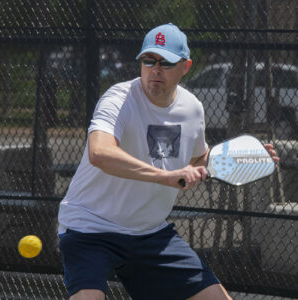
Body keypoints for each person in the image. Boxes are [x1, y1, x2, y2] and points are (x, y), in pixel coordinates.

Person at [58, 23, 279, 300]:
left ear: (185, 66)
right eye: (149, 60)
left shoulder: (192, 108)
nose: (155, 70)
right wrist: (165, 176)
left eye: (165, 62)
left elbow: (199, 157)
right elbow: (99, 153)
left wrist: (241, 157)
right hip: (90, 228)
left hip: (150, 234)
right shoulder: (118, 98)